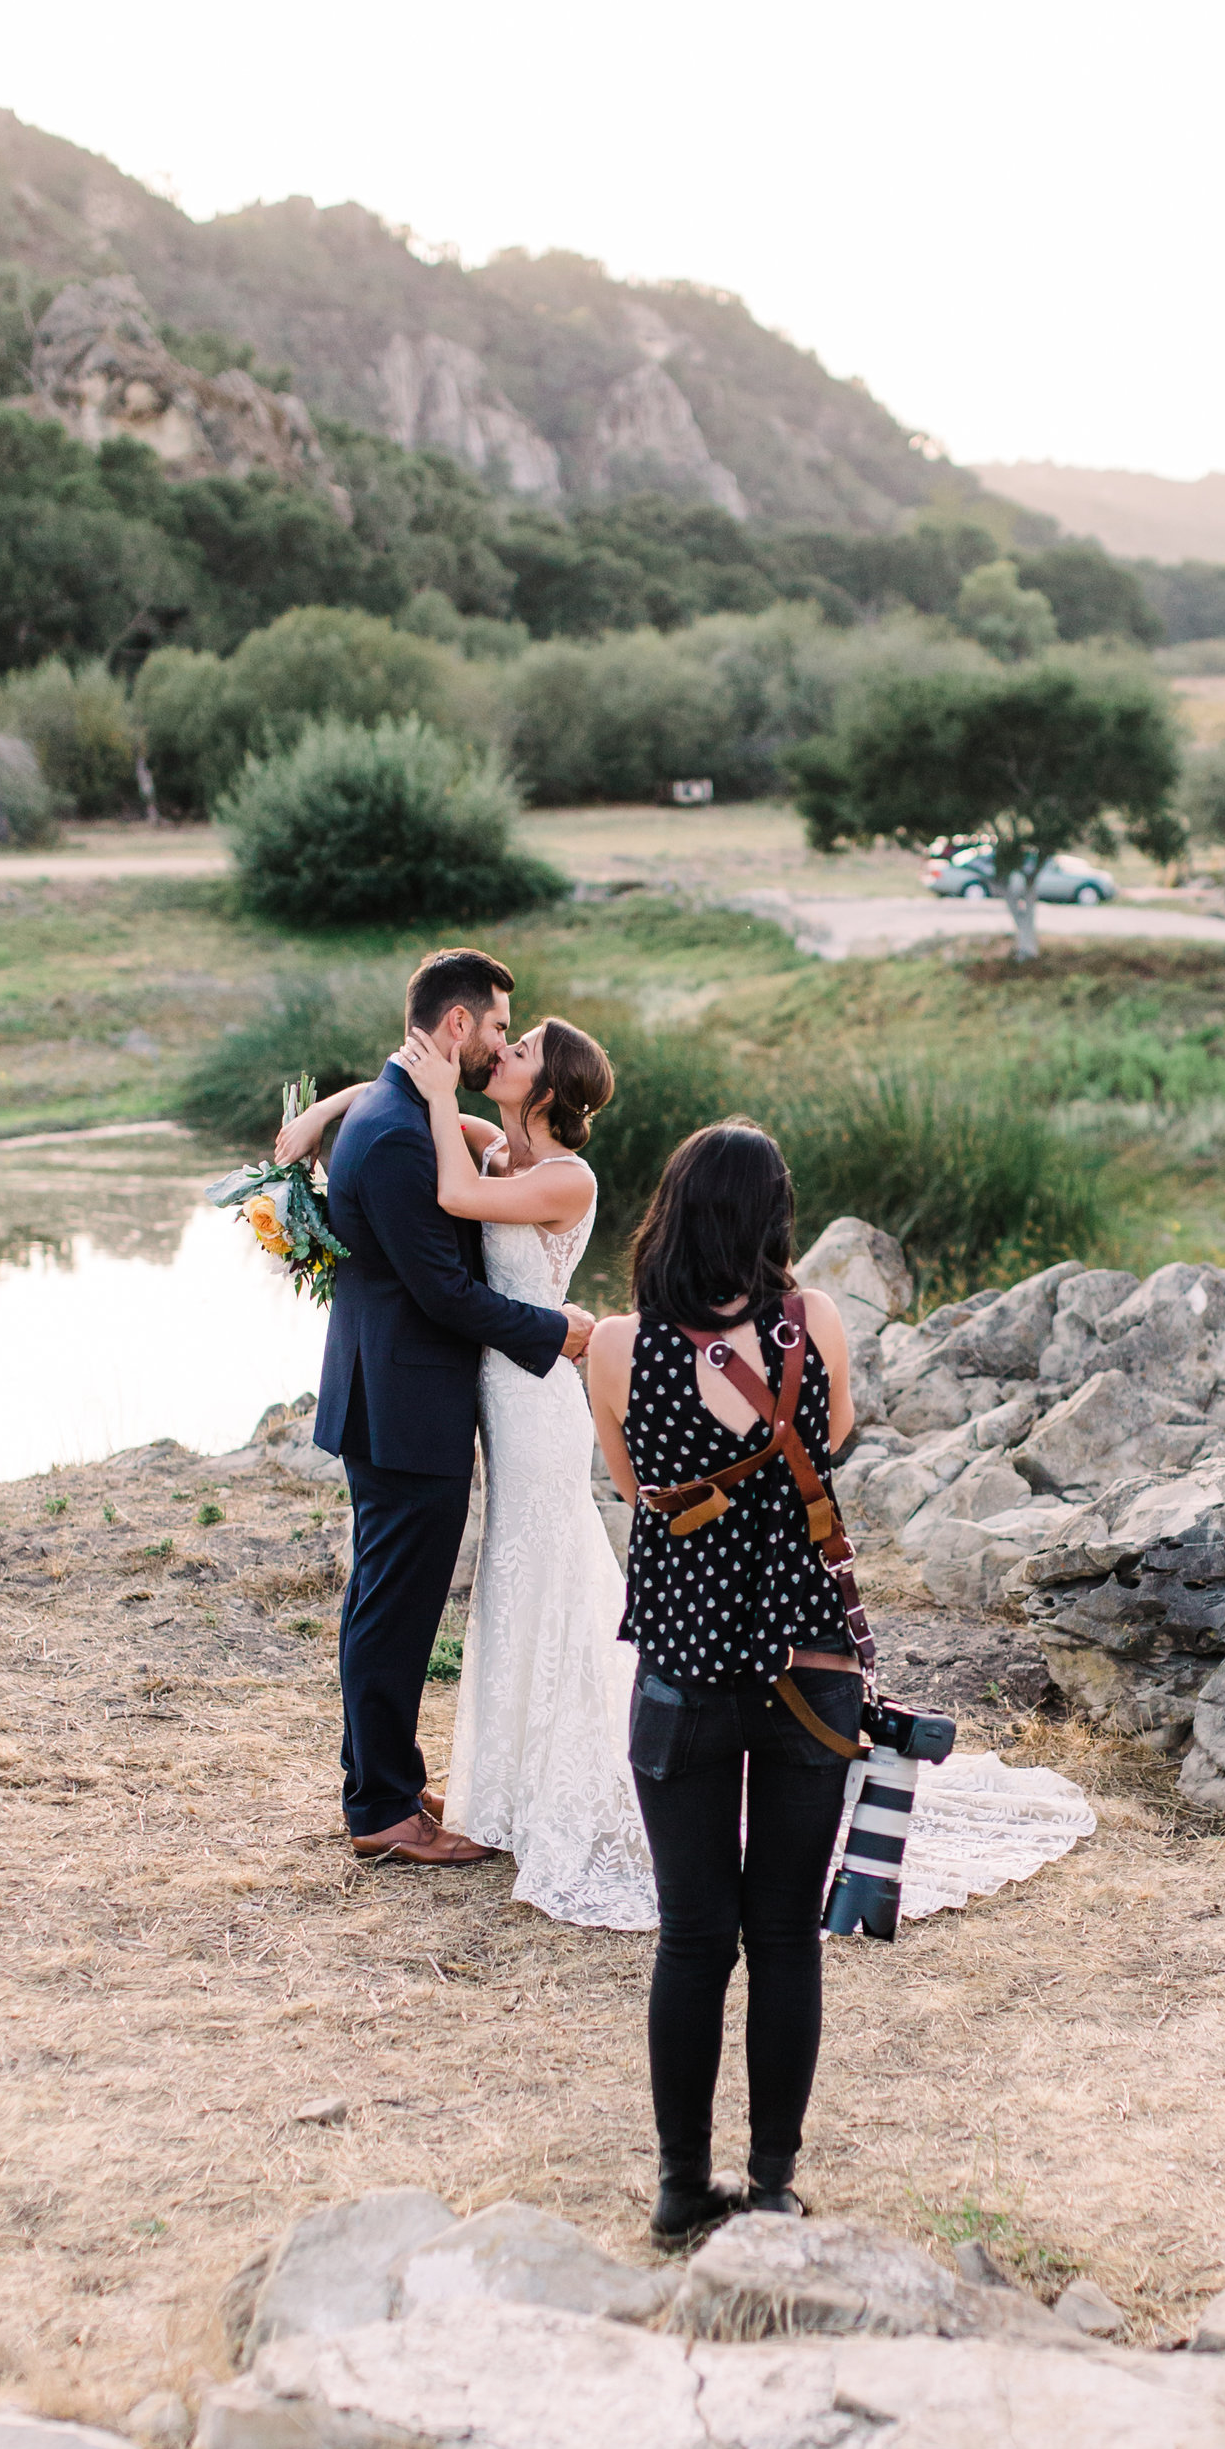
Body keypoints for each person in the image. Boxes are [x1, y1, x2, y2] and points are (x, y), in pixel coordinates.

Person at [582, 1122, 860, 2245]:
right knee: (786, 1933)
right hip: (809, 1670)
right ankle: (776, 2181)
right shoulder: (818, 1324)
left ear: (671, 1210)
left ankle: (680, 2186)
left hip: (684, 1676)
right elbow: (832, 1437)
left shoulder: (612, 1346)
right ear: (774, 1220)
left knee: (692, 1938)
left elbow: (630, 1481)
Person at [275, 948, 593, 1867]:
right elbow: (447, 1295)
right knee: (393, 1611)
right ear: (457, 1027)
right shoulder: (410, 1133)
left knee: (386, 1601)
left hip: (397, 1397)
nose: (501, 1042)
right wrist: (557, 1334)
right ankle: (380, 1808)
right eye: (498, 1025)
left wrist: (330, 1102)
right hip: (406, 1407)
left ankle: (391, 1779)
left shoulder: (401, 1111)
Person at [383, 1007, 660, 1930]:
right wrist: (316, 1120)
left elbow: (456, 1200)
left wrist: (435, 1098)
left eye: (524, 1048)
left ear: (547, 1088)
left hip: (540, 1399)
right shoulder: (499, 1148)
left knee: (541, 1565)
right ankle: (508, 1784)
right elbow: (400, 1096)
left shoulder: (564, 1177)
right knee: (512, 1569)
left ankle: (568, 1784)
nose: (502, 1051)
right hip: (501, 1390)